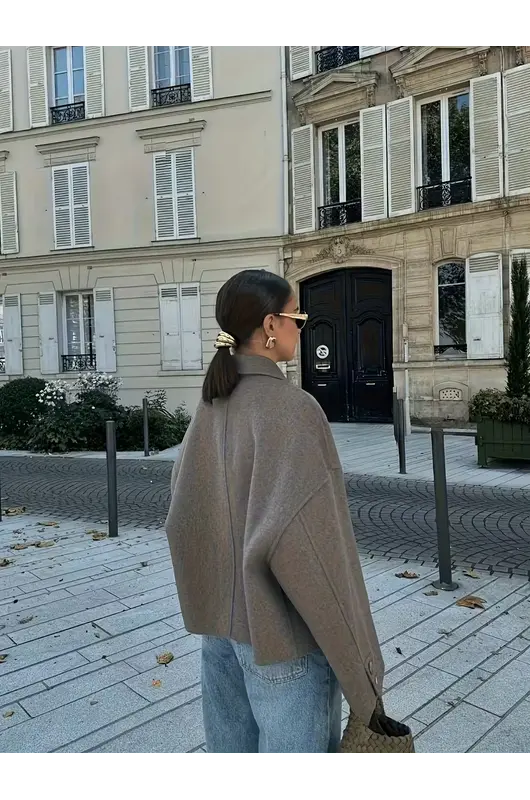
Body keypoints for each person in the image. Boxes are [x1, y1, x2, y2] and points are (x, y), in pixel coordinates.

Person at [165, 269, 384, 757]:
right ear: (270, 325)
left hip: (219, 633)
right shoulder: (294, 408)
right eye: (297, 318)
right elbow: (317, 551)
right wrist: (363, 669)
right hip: (282, 638)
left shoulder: (211, 404)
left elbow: (182, 517)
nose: (300, 328)